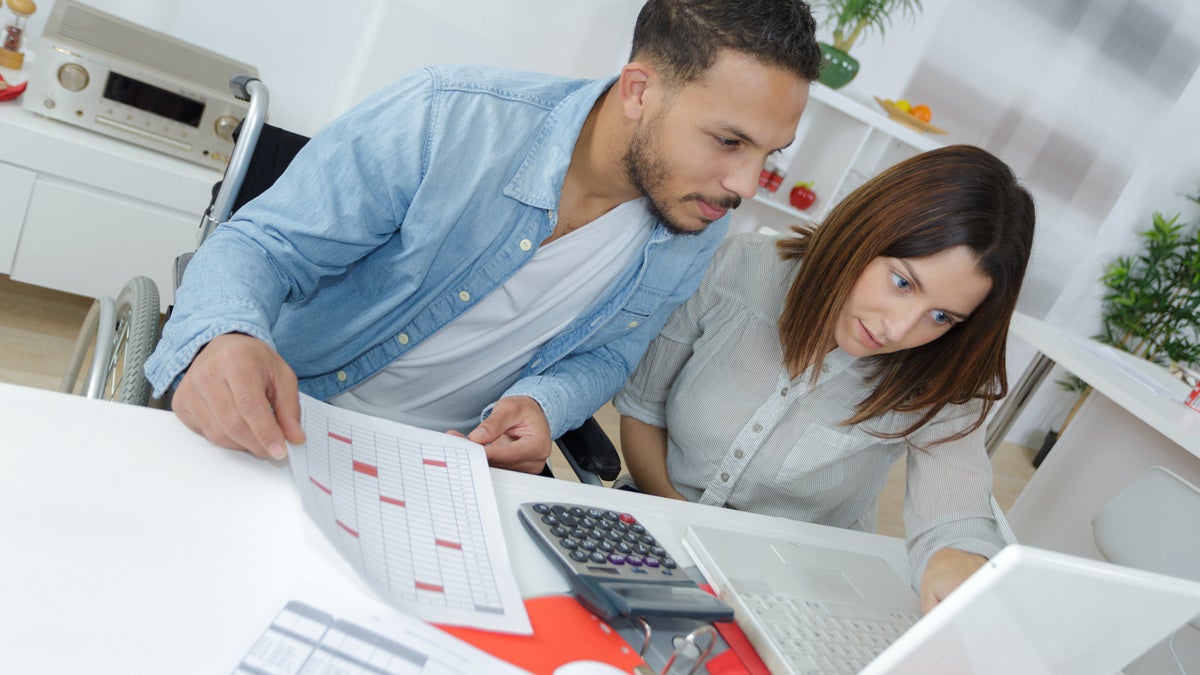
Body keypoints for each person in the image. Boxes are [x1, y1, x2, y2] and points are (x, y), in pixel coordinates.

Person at [144, 0, 823, 474]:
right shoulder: (446, 119)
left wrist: (545, 404)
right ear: (640, 90)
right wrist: (223, 337)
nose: (745, 184)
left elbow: (611, 355)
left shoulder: (696, 216)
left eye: (770, 155)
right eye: (729, 140)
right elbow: (260, 246)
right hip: (287, 420)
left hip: (444, 471)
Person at [614, 144, 1036, 611]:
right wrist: (682, 524)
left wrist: (956, 558)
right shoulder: (743, 267)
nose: (898, 328)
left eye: (940, 315)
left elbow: (956, 514)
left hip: (794, 591)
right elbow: (643, 409)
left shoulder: (939, 377)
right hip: (653, 525)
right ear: (866, 233)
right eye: (902, 282)